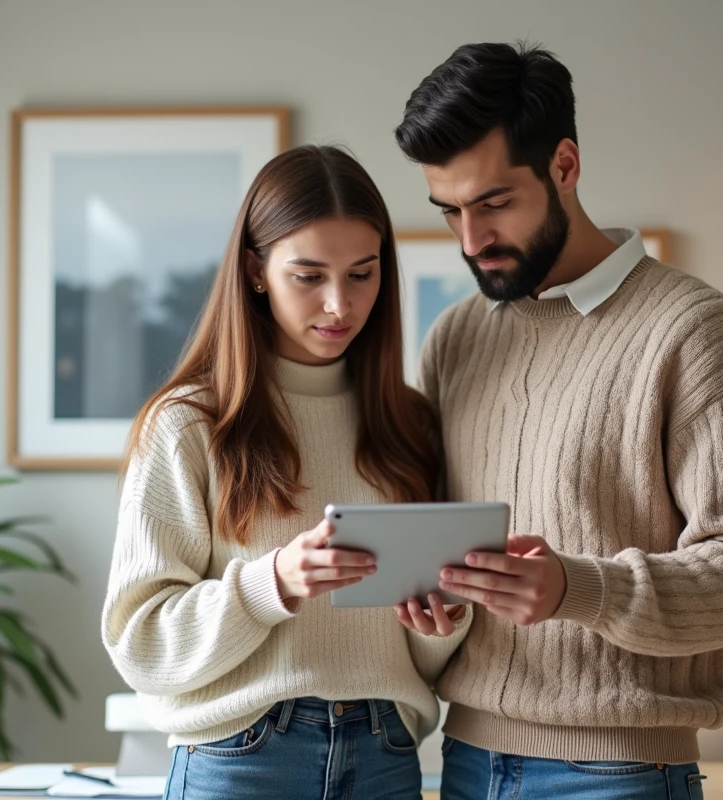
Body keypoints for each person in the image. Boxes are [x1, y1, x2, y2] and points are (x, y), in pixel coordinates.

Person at [394, 42, 723, 799]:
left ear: (565, 166)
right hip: (465, 761)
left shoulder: (694, 330)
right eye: (450, 211)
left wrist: (581, 589)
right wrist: (437, 592)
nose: (471, 241)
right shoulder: (455, 338)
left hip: (619, 773)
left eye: (493, 203)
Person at [101, 144, 471, 800]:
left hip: (385, 753)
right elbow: (140, 641)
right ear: (255, 271)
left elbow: (417, 655)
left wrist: (443, 622)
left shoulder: (409, 423)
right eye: (308, 276)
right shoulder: (189, 424)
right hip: (242, 758)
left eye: (362, 274)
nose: (339, 304)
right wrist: (271, 583)